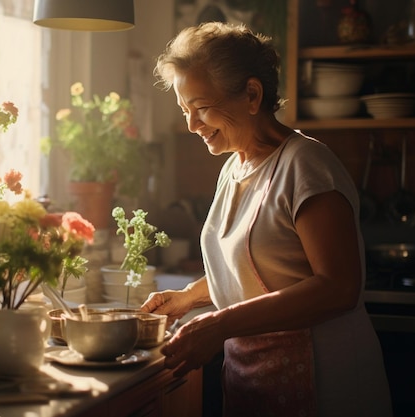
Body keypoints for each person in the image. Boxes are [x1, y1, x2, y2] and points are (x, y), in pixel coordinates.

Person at [141, 22, 392, 417]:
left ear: (252, 95)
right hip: (255, 380)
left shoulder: (306, 165)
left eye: (202, 108)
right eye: (184, 110)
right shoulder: (234, 167)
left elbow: (339, 287)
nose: (192, 125)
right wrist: (189, 298)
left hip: (328, 386)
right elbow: (262, 269)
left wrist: (219, 325)